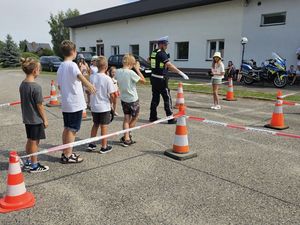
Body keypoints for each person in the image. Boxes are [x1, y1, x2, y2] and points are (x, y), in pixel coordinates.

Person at [57, 40, 96, 163]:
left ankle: (65, 152)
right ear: (73, 52)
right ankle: (68, 155)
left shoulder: (61, 66)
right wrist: (89, 85)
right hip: (74, 103)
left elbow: (59, 86)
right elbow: (79, 76)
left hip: (66, 103)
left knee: (67, 128)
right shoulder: (72, 65)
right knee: (72, 129)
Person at [149, 36, 189, 124]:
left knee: (155, 98)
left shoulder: (154, 52)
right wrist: (180, 73)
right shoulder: (162, 53)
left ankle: (152, 116)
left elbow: (151, 61)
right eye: (166, 44)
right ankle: (171, 118)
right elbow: (169, 65)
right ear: (162, 45)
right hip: (161, 79)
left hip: (154, 78)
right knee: (167, 98)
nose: (167, 46)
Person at [19, 57, 49, 173]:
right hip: (35, 119)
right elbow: (40, 106)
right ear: (35, 70)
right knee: (34, 141)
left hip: (27, 118)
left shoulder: (23, 84)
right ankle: (34, 164)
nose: (39, 71)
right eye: (39, 69)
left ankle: (28, 161)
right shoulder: (36, 87)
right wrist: (45, 119)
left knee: (30, 139)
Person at [87, 56, 116, 153]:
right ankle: (104, 146)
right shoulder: (107, 79)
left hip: (94, 105)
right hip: (104, 106)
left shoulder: (92, 77)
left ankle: (91, 144)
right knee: (104, 126)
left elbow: (88, 91)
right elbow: (112, 94)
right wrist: (112, 103)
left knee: (95, 124)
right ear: (106, 67)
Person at [115, 54, 145, 147]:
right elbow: (143, 81)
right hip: (133, 99)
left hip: (124, 99)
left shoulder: (117, 71)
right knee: (135, 117)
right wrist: (137, 69)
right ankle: (127, 136)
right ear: (130, 64)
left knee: (126, 118)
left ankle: (126, 137)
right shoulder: (131, 73)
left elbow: (116, 81)